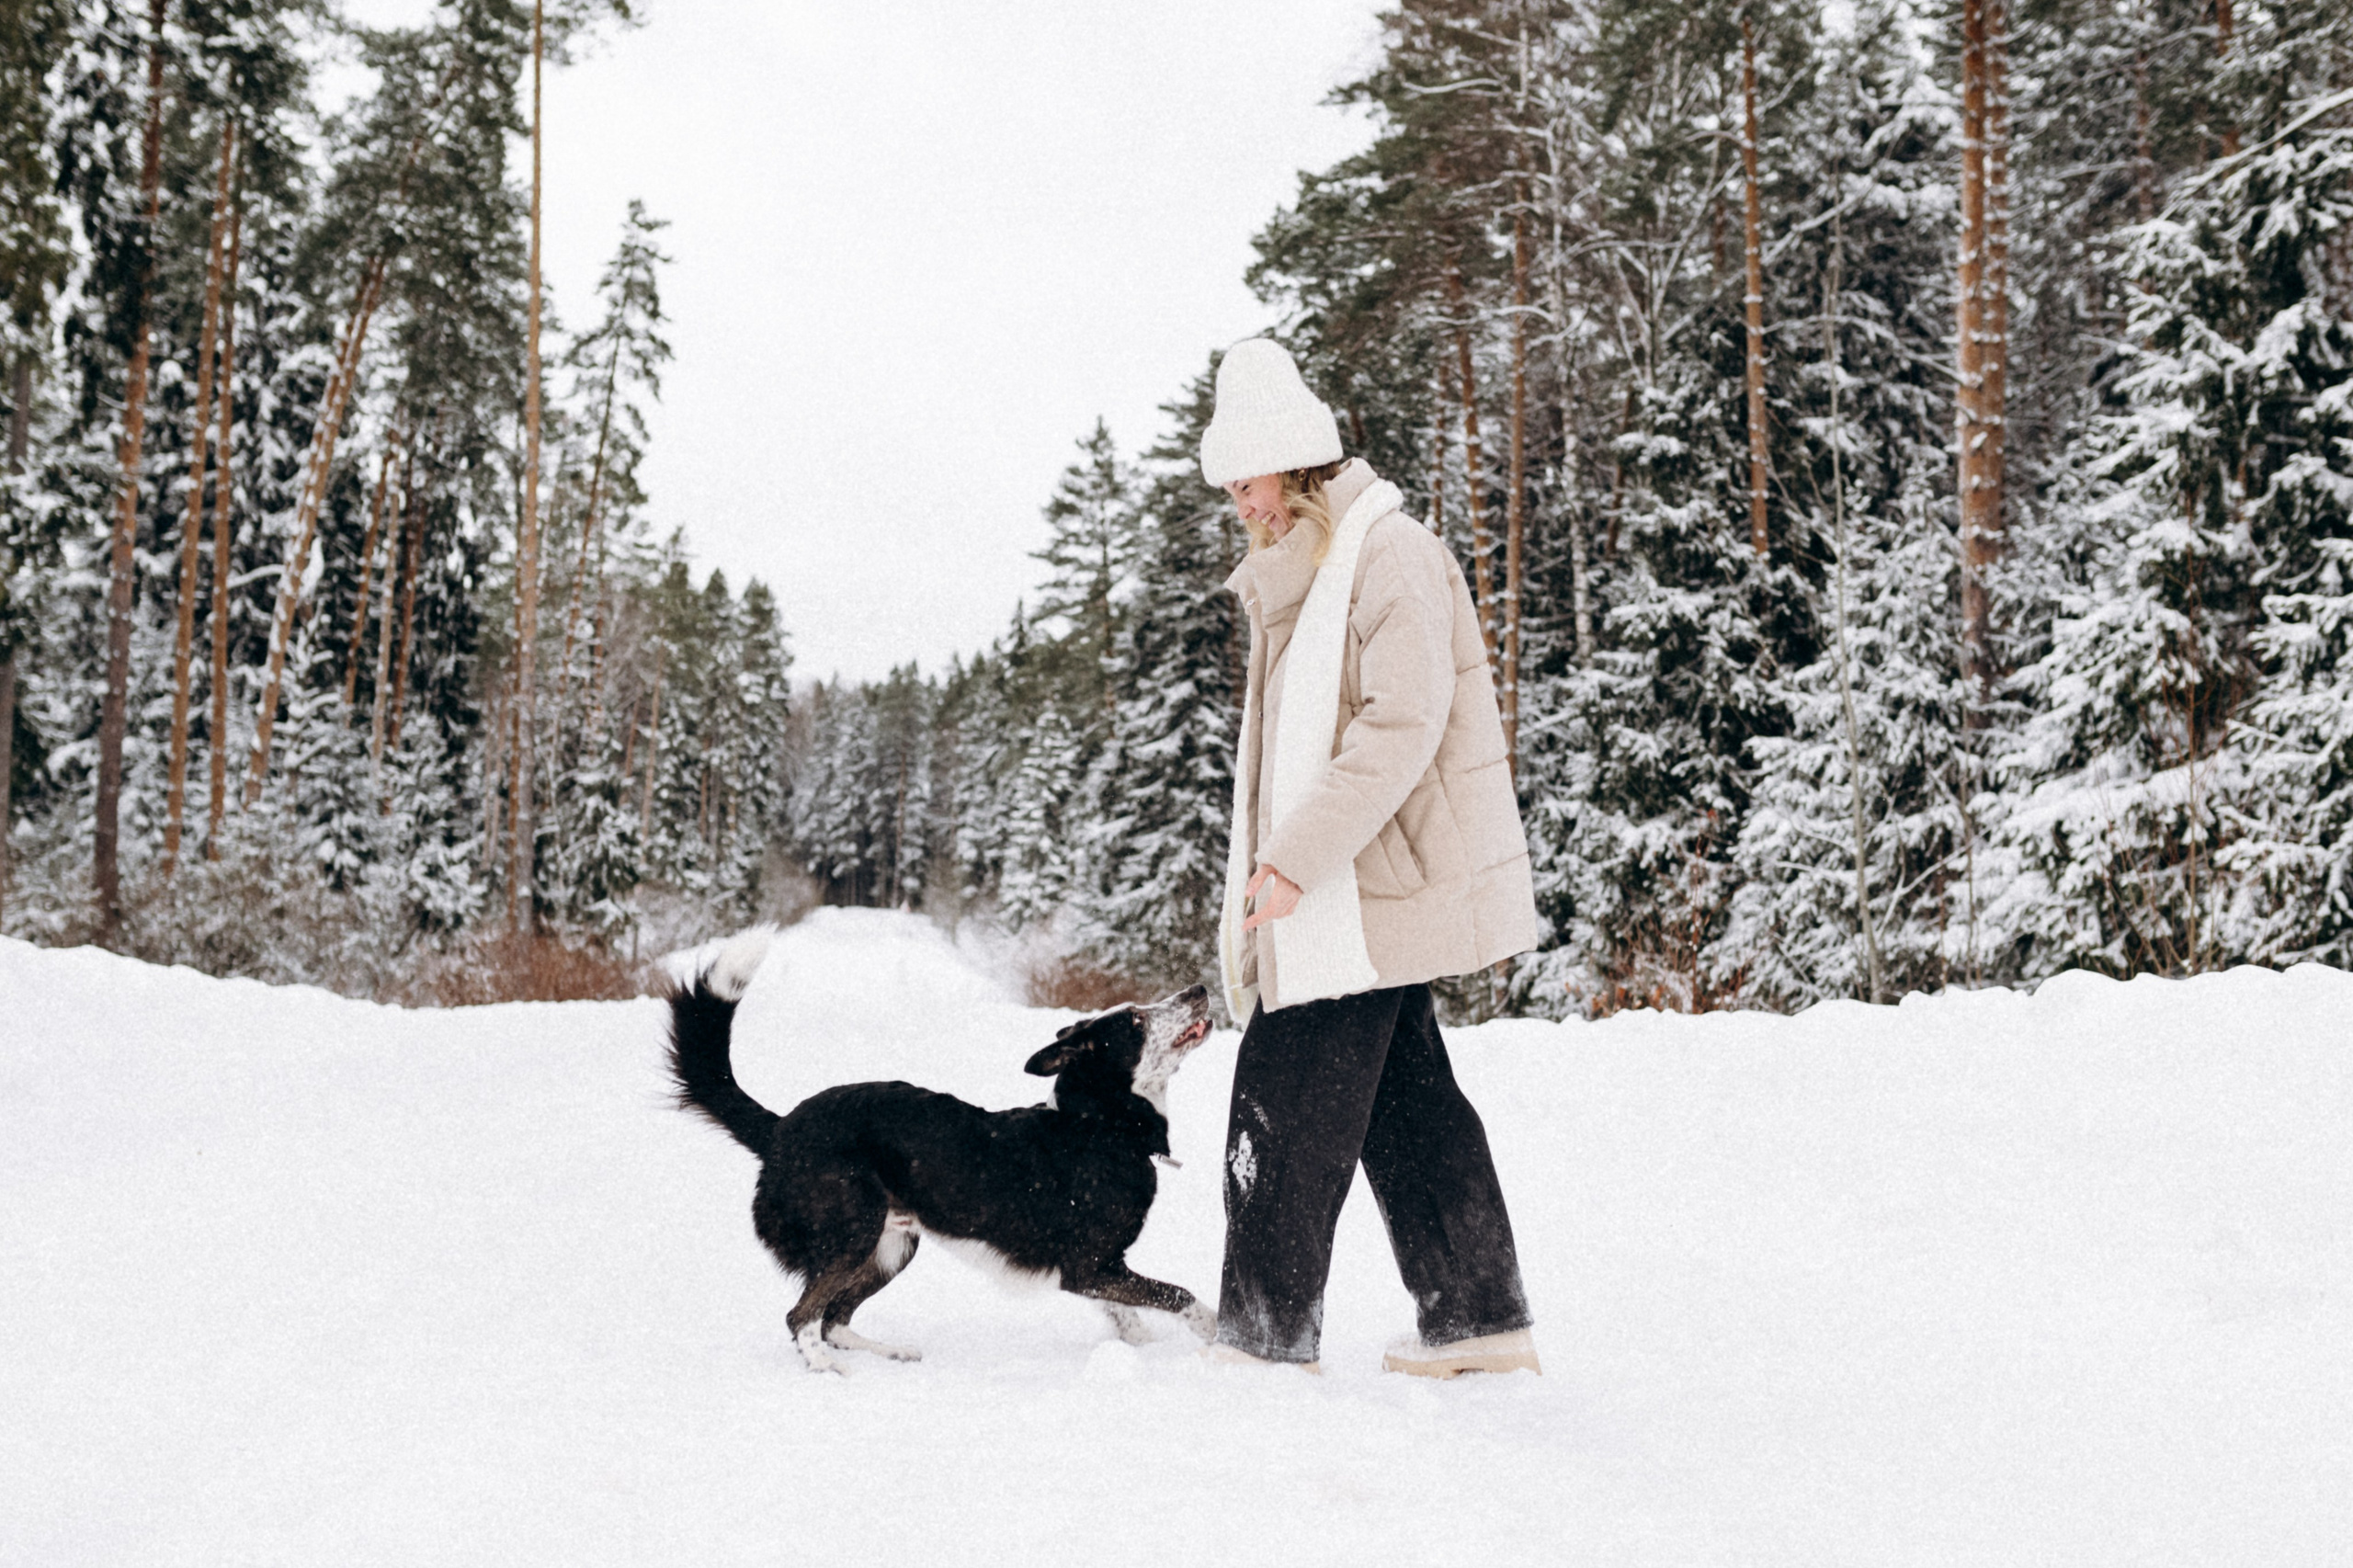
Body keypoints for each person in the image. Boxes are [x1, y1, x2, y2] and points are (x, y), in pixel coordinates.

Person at [1198, 337, 1541, 1378]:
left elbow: (1401, 724)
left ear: (1293, 459)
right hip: (1354, 877)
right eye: (1229, 488)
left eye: (1248, 481)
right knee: (1408, 1105)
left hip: (1363, 883)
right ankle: (1478, 1320)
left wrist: (1294, 858)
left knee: (1282, 1098)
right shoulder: (1310, 569)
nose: (1241, 504)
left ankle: (1261, 1341)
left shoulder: (1388, 554)